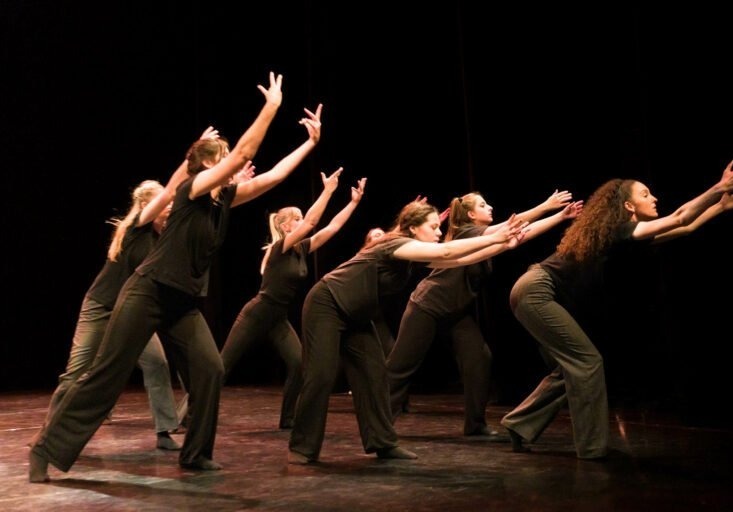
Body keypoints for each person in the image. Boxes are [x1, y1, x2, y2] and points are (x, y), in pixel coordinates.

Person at [28, 72, 303, 482]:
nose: (235, 165)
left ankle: (195, 454)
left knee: (210, 370)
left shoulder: (222, 200)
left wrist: (309, 144)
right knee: (106, 374)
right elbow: (244, 153)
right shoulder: (192, 190)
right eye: (224, 159)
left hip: (182, 302)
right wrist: (272, 108)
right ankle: (45, 449)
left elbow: (275, 176)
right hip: (147, 292)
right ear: (210, 164)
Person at [500, 159, 733, 459]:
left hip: (535, 292)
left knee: (569, 369)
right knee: (587, 363)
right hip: (536, 291)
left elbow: (684, 227)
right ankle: (591, 448)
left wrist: (719, 207)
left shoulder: (624, 233)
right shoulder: (618, 229)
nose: (655, 199)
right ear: (627, 206)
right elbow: (678, 217)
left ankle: (519, 424)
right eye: (646, 194)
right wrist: (718, 188)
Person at [288, 199, 527, 464]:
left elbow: (458, 259)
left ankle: (383, 442)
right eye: (434, 227)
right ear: (413, 229)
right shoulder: (395, 244)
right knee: (321, 375)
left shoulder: (412, 254)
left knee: (374, 375)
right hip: (327, 303)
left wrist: (501, 244)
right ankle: (303, 447)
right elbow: (447, 252)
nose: (439, 233)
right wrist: (495, 239)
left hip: (357, 314)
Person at [387, 190, 582, 436]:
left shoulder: (484, 236)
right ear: (470, 214)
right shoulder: (467, 231)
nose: (489, 207)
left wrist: (560, 217)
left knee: (479, 359)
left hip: (456, 313)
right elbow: (514, 223)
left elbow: (521, 235)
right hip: (428, 306)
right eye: (482, 204)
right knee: (401, 366)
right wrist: (545, 206)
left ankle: (476, 425)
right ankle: (378, 424)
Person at [202, 169, 366, 430]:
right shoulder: (280, 248)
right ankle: (189, 415)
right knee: (223, 365)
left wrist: (353, 203)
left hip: (277, 317)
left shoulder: (301, 249)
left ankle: (288, 418)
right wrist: (328, 191)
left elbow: (332, 227)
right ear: (285, 225)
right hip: (258, 313)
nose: (303, 221)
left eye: (301, 217)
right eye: (297, 218)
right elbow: (312, 222)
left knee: (299, 363)